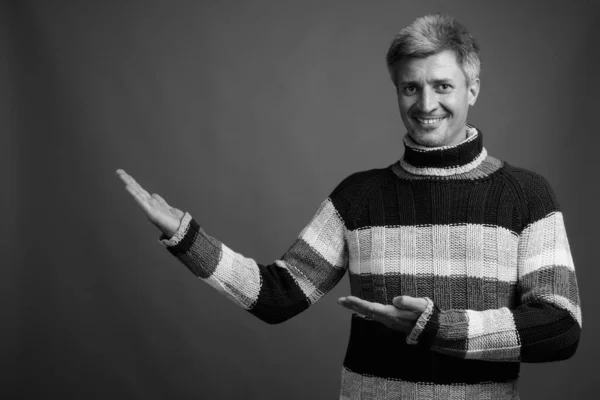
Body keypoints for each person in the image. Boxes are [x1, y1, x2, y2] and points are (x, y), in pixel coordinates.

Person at [116, 14, 581, 400]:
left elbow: (559, 328)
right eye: (410, 88)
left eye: (443, 86)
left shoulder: (525, 195)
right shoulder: (360, 197)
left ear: (472, 89)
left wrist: (437, 327)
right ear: (397, 91)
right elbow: (279, 296)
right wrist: (187, 237)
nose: (426, 104)